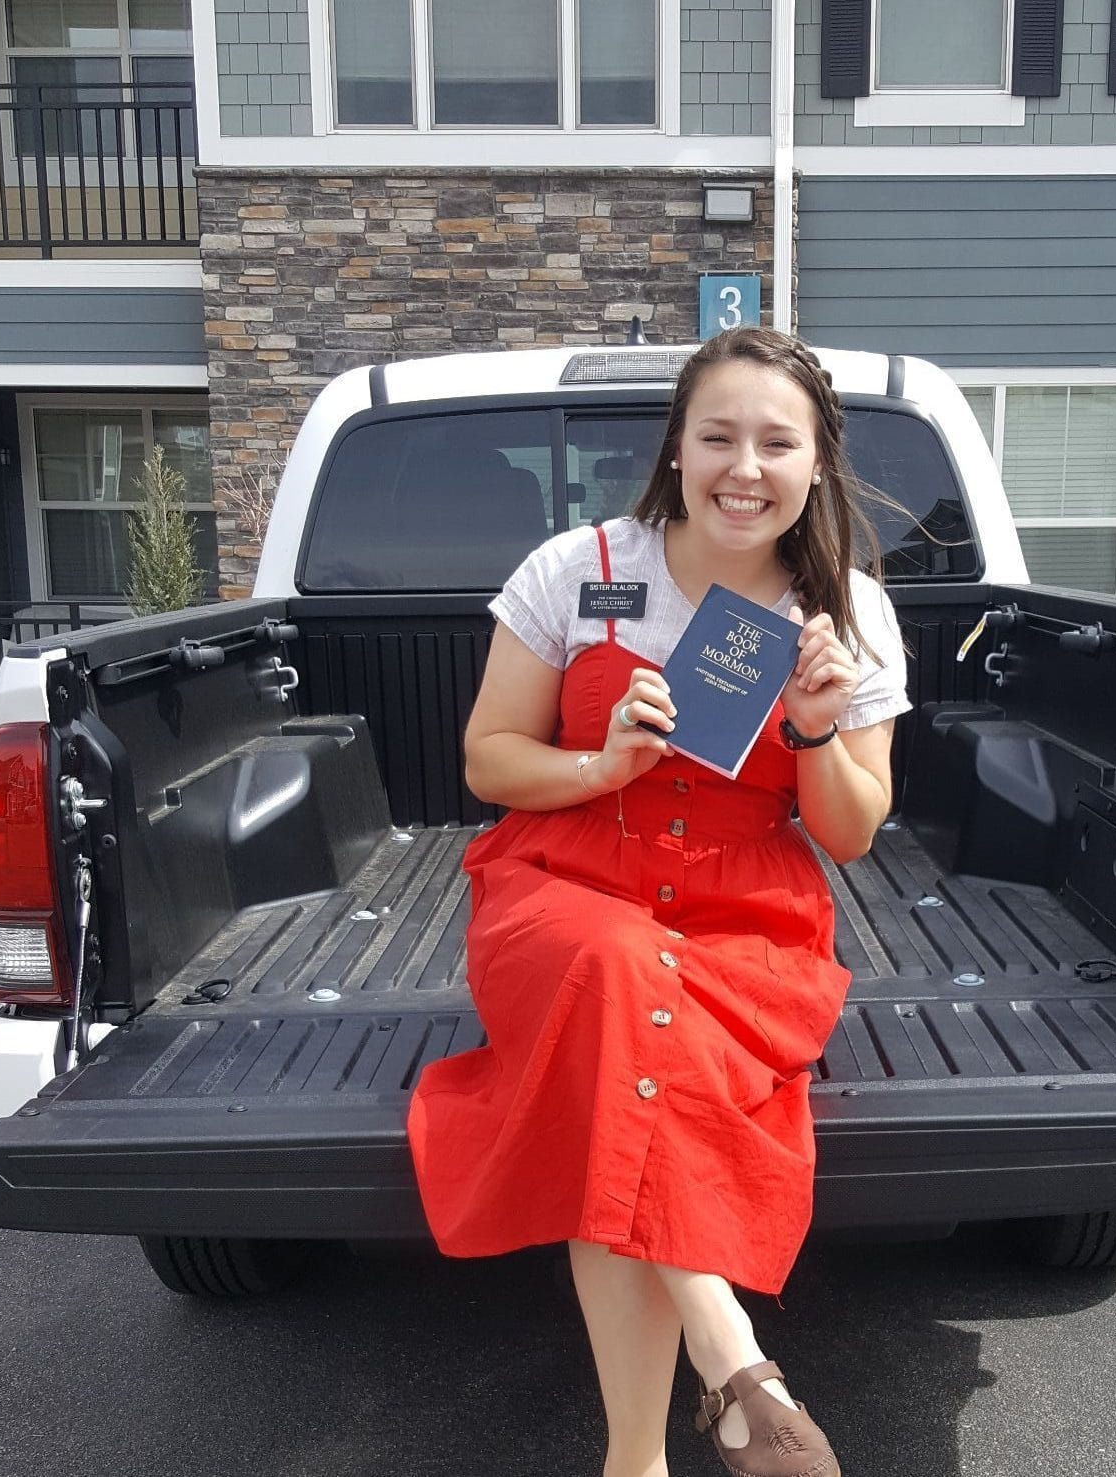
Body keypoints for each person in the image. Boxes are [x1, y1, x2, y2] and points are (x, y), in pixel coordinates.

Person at [407, 326, 910, 1477]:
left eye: (776, 441)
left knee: (620, 1073)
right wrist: (601, 768)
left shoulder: (851, 612)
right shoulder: (576, 568)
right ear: (675, 447)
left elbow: (849, 831)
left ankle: (632, 1461)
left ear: (817, 461)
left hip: (744, 918)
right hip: (565, 881)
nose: (745, 466)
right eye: (717, 435)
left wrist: (816, 728)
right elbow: (489, 759)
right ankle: (732, 1357)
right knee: (616, 973)